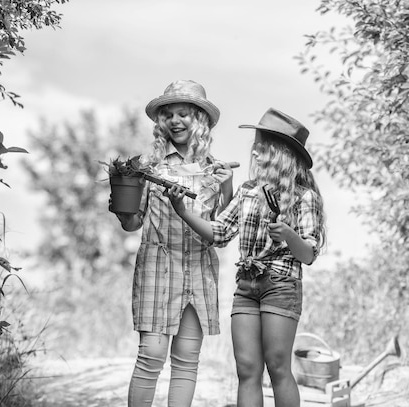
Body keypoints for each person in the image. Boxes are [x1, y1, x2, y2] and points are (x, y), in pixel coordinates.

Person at [166, 107, 326, 407]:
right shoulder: (248, 191)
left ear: (280, 153)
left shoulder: (305, 197)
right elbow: (220, 233)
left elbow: (308, 254)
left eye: (261, 147)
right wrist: (182, 211)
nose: (254, 153)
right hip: (247, 285)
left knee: (278, 368)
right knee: (247, 370)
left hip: (281, 284)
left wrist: (289, 235)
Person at [110, 80, 234, 407]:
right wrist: (122, 212)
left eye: (184, 114)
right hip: (157, 263)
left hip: (199, 268)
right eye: (170, 115)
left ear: (200, 121)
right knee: (151, 355)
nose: (176, 121)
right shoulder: (149, 168)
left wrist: (228, 187)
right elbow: (133, 222)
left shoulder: (215, 171)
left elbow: (223, 229)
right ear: (161, 122)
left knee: (186, 357)